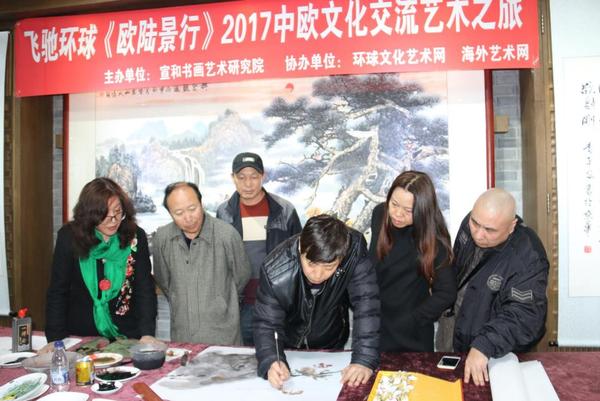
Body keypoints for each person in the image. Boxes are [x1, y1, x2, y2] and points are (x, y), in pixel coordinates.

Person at [436, 188, 549, 386]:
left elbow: (526, 315)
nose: (478, 234)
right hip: (457, 328)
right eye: (475, 223)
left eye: (490, 230)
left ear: (511, 226)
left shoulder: (528, 256)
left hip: (496, 352)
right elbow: (458, 269)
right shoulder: (471, 222)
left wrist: (486, 344)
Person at [254, 214, 380, 389]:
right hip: (290, 346)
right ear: (301, 248)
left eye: (328, 267)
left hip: (331, 340)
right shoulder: (275, 271)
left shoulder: (354, 253)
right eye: (311, 264)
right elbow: (267, 323)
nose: (318, 275)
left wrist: (364, 359)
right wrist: (271, 359)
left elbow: (367, 305)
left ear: (341, 259)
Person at [44, 177, 158, 352]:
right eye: (104, 215)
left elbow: (145, 289)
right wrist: (55, 339)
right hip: (81, 336)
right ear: (89, 214)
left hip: (127, 335)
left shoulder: (135, 237)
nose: (113, 220)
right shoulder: (69, 237)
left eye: (118, 212)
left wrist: (147, 333)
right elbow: (58, 291)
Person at [217, 152, 302, 346]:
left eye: (254, 177)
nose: (248, 184)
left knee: (278, 355)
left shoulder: (284, 210)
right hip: (240, 305)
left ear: (263, 176)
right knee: (243, 357)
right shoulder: (224, 212)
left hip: (277, 303)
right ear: (233, 178)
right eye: (241, 177)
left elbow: (299, 257)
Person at [153, 182, 251, 345]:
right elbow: (164, 281)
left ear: (201, 203)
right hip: (182, 334)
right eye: (179, 213)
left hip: (224, 336)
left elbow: (241, 276)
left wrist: (220, 301)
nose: (188, 218)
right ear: (170, 213)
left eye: (192, 209)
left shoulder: (227, 235)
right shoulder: (163, 238)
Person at [369, 171, 456, 352]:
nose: (397, 214)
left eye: (408, 211)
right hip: (375, 326)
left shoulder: (434, 238)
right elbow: (373, 265)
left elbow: (446, 293)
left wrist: (414, 319)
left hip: (412, 334)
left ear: (423, 210)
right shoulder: (380, 215)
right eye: (394, 204)